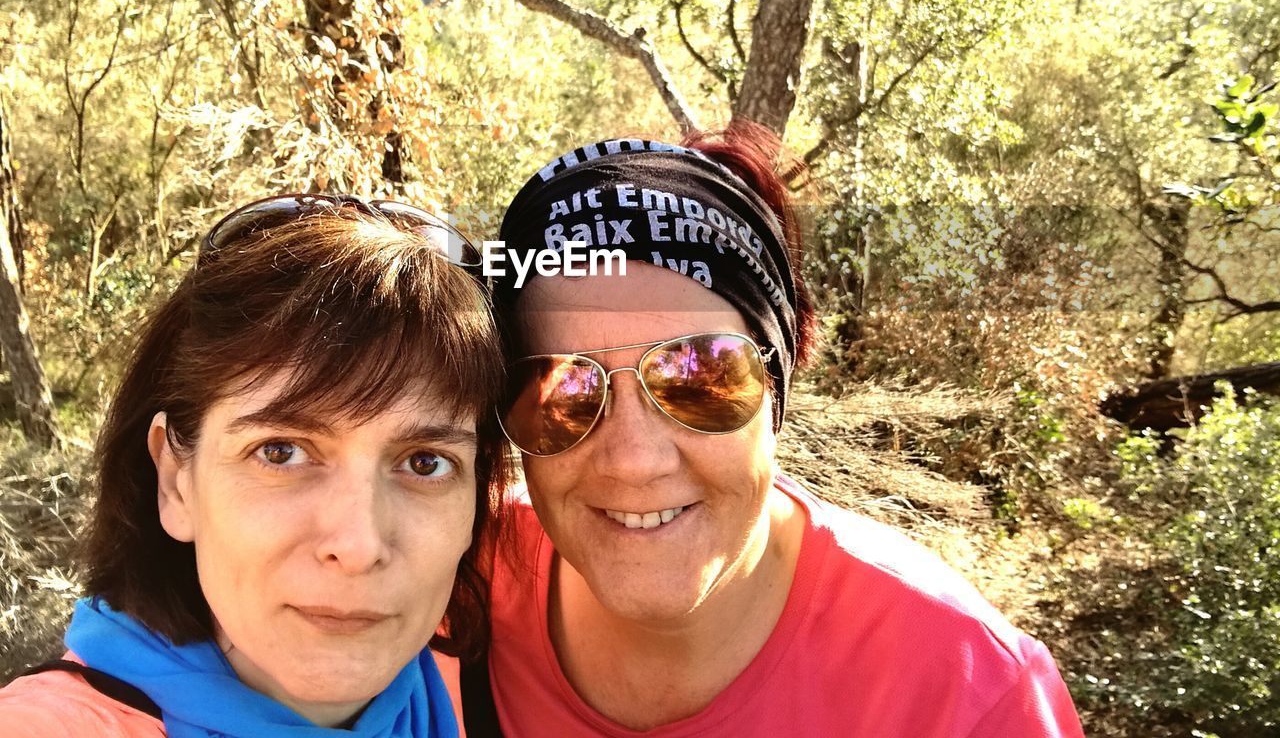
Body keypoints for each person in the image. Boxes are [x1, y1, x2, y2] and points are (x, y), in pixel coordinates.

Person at [473, 131, 1086, 737]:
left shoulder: (969, 696)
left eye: (700, 376)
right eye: (563, 390)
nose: (634, 460)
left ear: (776, 387)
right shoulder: (454, 584)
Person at [0, 194, 509, 738]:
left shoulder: (470, 678)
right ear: (175, 482)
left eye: (425, 462)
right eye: (280, 452)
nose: (359, 547)